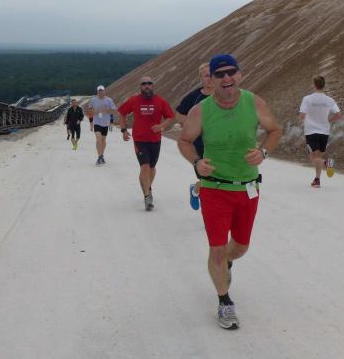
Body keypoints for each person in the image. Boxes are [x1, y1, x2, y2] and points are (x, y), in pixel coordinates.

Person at [178, 54, 280, 330]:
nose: (226, 78)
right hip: (214, 188)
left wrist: (263, 152)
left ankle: (227, 265)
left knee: (241, 247)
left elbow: (274, 130)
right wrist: (197, 162)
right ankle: (224, 301)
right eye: (219, 74)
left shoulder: (254, 102)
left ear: (239, 75)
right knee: (218, 250)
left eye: (231, 72)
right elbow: (185, 140)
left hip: (247, 187)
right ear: (211, 79)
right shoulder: (201, 110)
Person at [117, 76, 175, 211]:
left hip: (155, 140)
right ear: (140, 86)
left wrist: (161, 126)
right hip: (139, 139)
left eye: (149, 83)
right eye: (144, 84)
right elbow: (121, 112)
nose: (147, 86)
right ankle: (148, 197)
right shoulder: (134, 100)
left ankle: (147, 187)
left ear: (153, 86)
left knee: (152, 168)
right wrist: (124, 130)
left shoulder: (160, 101)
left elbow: (170, 117)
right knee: (145, 166)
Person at [176, 62, 213, 210]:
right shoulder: (194, 97)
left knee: (217, 178)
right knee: (207, 178)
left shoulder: (224, 95)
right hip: (200, 145)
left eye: (213, 74)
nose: (210, 78)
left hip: (223, 145)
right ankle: (196, 192)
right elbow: (179, 114)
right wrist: (193, 124)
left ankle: (198, 191)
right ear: (201, 78)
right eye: (206, 75)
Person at [299, 75, 342, 187]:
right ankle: (317, 180)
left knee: (313, 157)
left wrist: (306, 118)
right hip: (324, 131)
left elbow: (302, 115)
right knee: (318, 157)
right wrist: (328, 120)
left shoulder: (307, 99)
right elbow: (338, 115)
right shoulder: (329, 100)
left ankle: (327, 163)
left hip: (311, 131)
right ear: (323, 85)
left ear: (314, 85)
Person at [87, 85, 117, 165]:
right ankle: (99, 157)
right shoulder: (93, 100)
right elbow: (89, 112)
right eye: (99, 91)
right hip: (97, 122)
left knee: (103, 140)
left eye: (102, 91)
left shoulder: (109, 100)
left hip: (105, 123)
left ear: (104, 91)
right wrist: (94, 113)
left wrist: (107, 110)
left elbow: (114, 111)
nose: (100, 92)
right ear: (97, 91)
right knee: (98, 139)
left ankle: (102, 155)